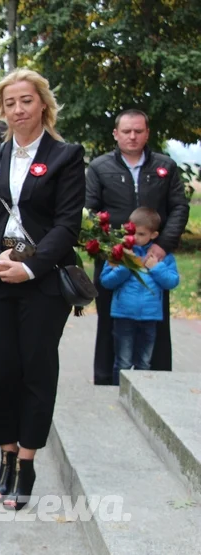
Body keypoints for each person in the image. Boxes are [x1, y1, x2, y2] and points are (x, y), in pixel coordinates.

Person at [0, 69, 86, 510]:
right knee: (1, 371)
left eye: (27, 101)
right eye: (10, 103)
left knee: (36, 370)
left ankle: (28, 462)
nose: (18, 110)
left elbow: (67, 224)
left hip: (41, 281)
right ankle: (5, 454)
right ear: (2, 108)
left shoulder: (66, 155)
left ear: (43, 105)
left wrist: (32, 267)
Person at [86, 109, 189, 385]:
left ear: (147, 133)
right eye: (127, 131)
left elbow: (179, 207)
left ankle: (157, 381)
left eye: (139, 131)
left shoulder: (165, 166)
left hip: (154, 259)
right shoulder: (99, 167)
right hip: (115, 259)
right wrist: (113, 249)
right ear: (116, 134)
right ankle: (107, 382)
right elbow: (89, 210)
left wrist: (163, 246)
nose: (133, 136)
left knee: (155, 321)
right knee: (109, 321)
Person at [100, 207, 180, 385]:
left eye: (141, 234)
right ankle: (118, 393)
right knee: (123, 361)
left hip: (149, 317)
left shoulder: (160, 256)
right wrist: (127, 266)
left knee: (144, 362)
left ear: (153, 235)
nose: (135, 238)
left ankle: (141, 396)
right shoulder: (121, 252)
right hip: (123, 315)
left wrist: (156, 268)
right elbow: (106, 281)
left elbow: (172, 281)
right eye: (132, 232)